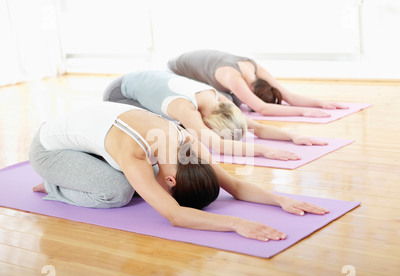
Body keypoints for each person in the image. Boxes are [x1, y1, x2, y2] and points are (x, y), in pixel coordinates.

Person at [29, 101, 329, 242]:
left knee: (140, 183)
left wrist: (280, 201)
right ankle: (53, 184)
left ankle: (74, 174)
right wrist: (237, 223)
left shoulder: (189, 144)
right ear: (171, 181)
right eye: (169, 190)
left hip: (90, 141)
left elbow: (234, 185)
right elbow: (175, 215)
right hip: (49, 149)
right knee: (118, 192)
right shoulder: (134, 153)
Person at [103, 70, 327, 161]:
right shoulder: (184, 108)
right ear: (209, 123)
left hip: (145, 78)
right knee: (174, 131)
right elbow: (217, 145)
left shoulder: (221, 102)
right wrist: (265, 150)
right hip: (119, 93)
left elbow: (255, 127)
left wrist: (292, 137)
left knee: (185, 132)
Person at [167, 49, 347, 117]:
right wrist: (304, 112)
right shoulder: (232, 77)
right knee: (231, 104)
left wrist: (321, 104)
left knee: (233, 100)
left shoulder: (254, 68)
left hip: (199, 71)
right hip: (175, 74)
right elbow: (262, 108)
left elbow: (289, 96)